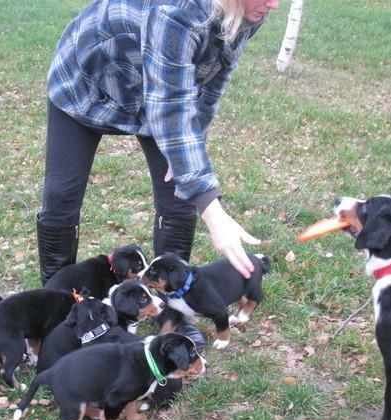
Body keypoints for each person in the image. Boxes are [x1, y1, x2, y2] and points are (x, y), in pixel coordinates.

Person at [36, 0, 280, 285]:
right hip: (87, 85)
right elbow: (171, 106)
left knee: (177, 199)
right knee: (61, 196)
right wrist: (214, 215)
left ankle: (171, 301)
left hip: (158, 88)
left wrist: (189, 152)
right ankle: (56, 294)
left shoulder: (247, 11)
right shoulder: (176, 12)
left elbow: (214, 81)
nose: (273, 4)